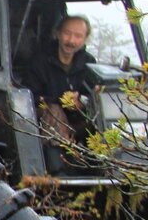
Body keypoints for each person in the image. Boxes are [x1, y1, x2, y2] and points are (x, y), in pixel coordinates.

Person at [21, 15, 96, 171]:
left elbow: (92, 94)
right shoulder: (40, 60)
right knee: (54, 111)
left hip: (77, 119)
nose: (71, 40)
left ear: (85, 39)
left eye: (78, 36)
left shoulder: (89, 63)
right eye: (67, 33)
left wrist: (81, 101)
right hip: (45, 119)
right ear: (58, 33)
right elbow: (29, 96)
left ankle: (107, 167)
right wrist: (63, 101)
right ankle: (63, 166)